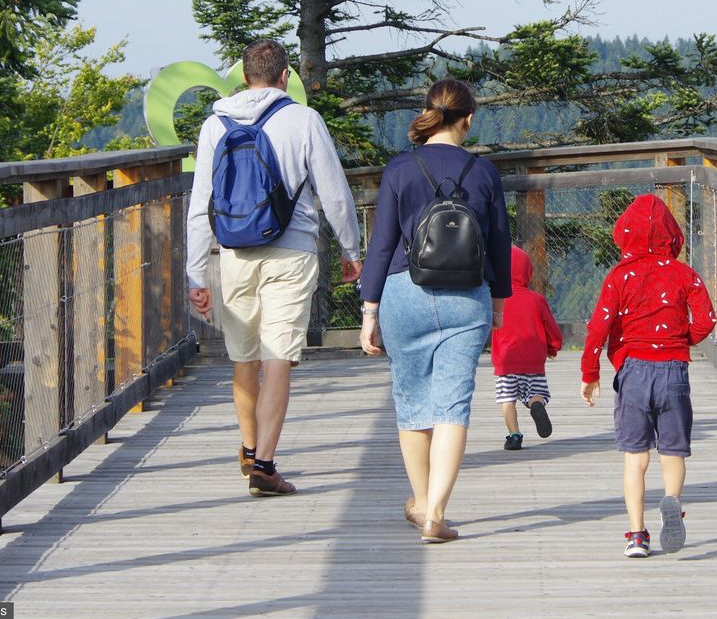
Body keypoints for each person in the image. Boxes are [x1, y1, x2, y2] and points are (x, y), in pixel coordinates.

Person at [186, 39, 362, 497]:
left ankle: (248, 450)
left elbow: (200, 202)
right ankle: (264, 463)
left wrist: (195, 273)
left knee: (244, 358)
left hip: (234, 254)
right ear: (285, 77)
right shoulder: (304, 120)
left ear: (244, 76)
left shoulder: (214, 126)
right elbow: (334, 192)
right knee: (278, 357)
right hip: (292, 250)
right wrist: (351, 248)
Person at [358, 78, 512, 543]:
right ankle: (436, 515)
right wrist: (500, 305)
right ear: (467, 119)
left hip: (405, 293)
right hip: (467, 298)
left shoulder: (401, 169)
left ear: (431, 114)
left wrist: (369, 311)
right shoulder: (483, 172)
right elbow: (501, 244)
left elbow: (382, 243)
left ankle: (421, 500)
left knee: (412, 404)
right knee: (453, 405)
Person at [580, 193, 716, 558]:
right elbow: (706, 320)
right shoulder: (685, 275)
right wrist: (680, 340)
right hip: (673, 372)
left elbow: (598, 327)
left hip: (634, 372)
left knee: (635, 458)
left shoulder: (619, 277)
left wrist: (589, 373)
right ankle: (671, 501)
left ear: (625, 234)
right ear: (671, 236)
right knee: (672, 451)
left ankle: (637, 535)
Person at [491, 245, 562, 450]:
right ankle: (536, 404)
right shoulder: (536, 300)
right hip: (533, 358)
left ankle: (514, 436)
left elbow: (490, 325)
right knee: (535, 392)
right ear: (527, 272)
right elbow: (551, 326)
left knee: (507, 400)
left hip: (505, 359)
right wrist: (553, 346)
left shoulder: (497, 300)